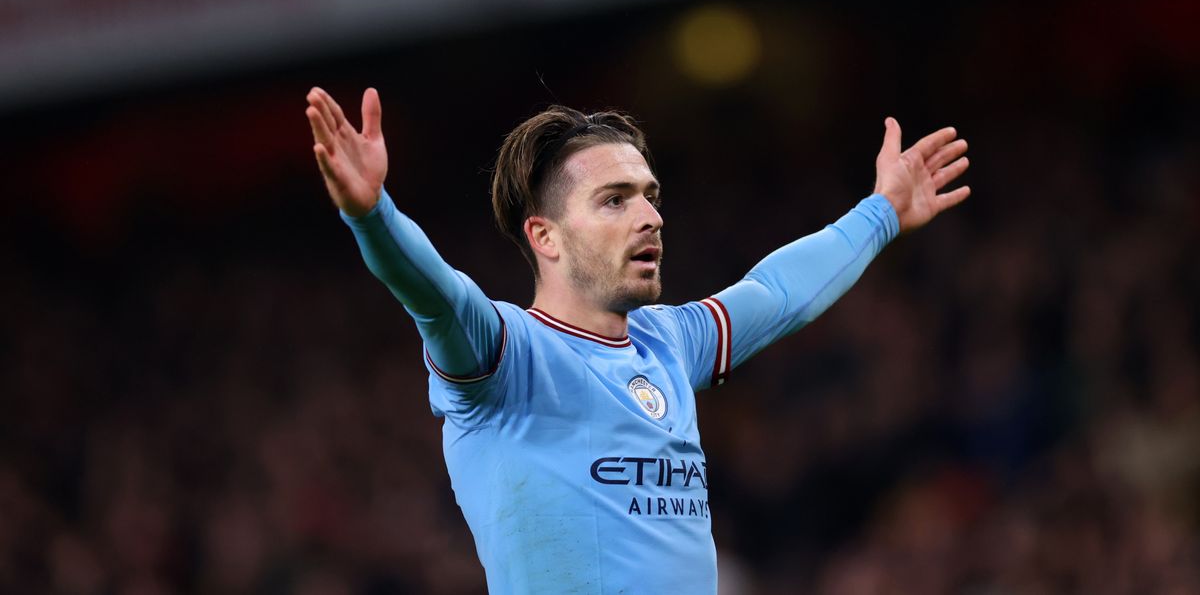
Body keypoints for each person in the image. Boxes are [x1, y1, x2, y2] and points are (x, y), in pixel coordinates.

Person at [304, 86, 969, 594]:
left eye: (649, 195)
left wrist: (881, 211)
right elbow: (435, 295)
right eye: (615, 200)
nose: (651, 216)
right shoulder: (507, 356)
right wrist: (372, 214)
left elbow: (778, 292)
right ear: (545, 236)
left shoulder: (668, 342)